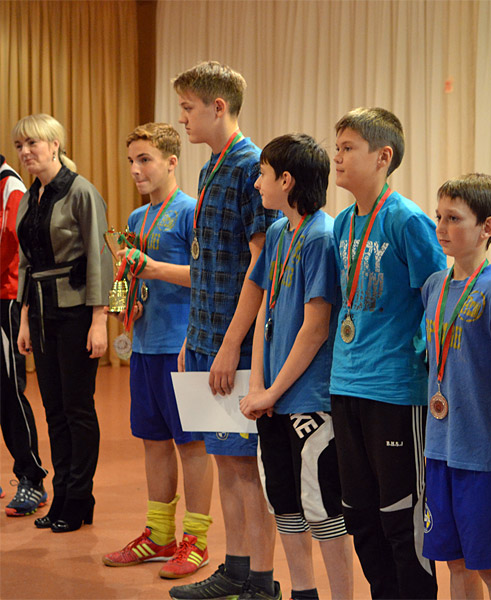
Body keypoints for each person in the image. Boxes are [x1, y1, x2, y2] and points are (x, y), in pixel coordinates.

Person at [167, 61, 280, 600]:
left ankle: (261, 579)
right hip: (206, 338)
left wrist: (233, 343)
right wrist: (195, 335)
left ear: (218, 107)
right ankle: (235, 569)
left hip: (236, 345)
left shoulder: (248, 166)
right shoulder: (210, 165)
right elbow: (206, 263)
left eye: (188, 107)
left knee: (248, 469)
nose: (182, 118)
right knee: (227, 463)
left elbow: (259, 264)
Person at [329, 107, 445, 599]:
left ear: (383, 156)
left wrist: (419, 356)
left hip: (396, 391)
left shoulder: (408, 221)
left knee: (401, 516)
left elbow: (437, 298)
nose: (337, 157)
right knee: (359, 514)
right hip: (345, 384)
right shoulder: (341, 225)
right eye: (336, 147)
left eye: (348, 148)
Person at [240, 133, 354, 600]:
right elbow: (265, 310)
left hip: (309, 399)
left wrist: (272, 391)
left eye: (263, 174)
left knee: (323, 510)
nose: (257, 184)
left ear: (286, 180)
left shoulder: (321, 237)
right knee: (283, 503)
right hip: (274, 398)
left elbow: (316, 327)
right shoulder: (278, 234)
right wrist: (257, 384)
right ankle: (303, 592)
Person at [102, 123, 214, 579]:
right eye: (131, 160)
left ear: (171, 161)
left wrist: (154, 268)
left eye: (145, 159)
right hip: (145, 345)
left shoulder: (191, 211)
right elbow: (126, 273)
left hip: (182, 346)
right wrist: (118, 304)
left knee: (192, 445)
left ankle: (197, 540)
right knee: (153, 442)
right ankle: (159, 534)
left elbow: (205, 276)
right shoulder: (135, 219)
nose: (135, 169)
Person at [421, 173, 491, 599]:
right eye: (439, 217)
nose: (441, 227)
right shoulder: (434, 286)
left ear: (487, 227)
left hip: (485, 458)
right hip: (440, 449)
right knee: (454, 561)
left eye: (453, 218)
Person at [12, 113, 112, 533]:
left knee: (77, 409)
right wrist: (23, 320)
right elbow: (26, 263)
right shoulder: (29, 197)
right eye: (19, 146)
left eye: (33, 143)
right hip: (39, 312)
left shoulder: (81, 192)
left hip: (76, 314)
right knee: (53, 410)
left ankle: (80, 496)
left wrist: (100, 320)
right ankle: (63, 497)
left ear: (55, 145)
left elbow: (102, 259)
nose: (25, 152)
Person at [1, 153, 49, 517]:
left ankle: (32, 478)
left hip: (6, 299)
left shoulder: (11, 186)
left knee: (8, 391)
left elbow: (14, 246)